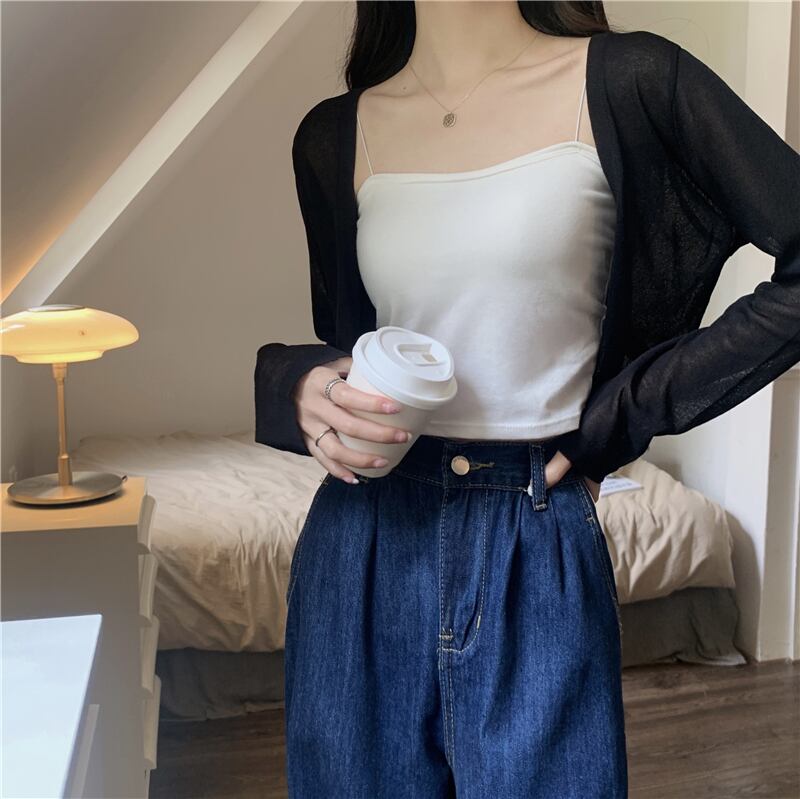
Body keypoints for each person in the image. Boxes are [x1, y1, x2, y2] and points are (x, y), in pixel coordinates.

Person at [254, 2, 800, 797]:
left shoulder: (633, 81)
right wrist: (299, 387)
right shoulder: (332, 137)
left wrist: (624, 414)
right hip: (362, 543)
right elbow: (354, 347)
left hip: (534, 537)